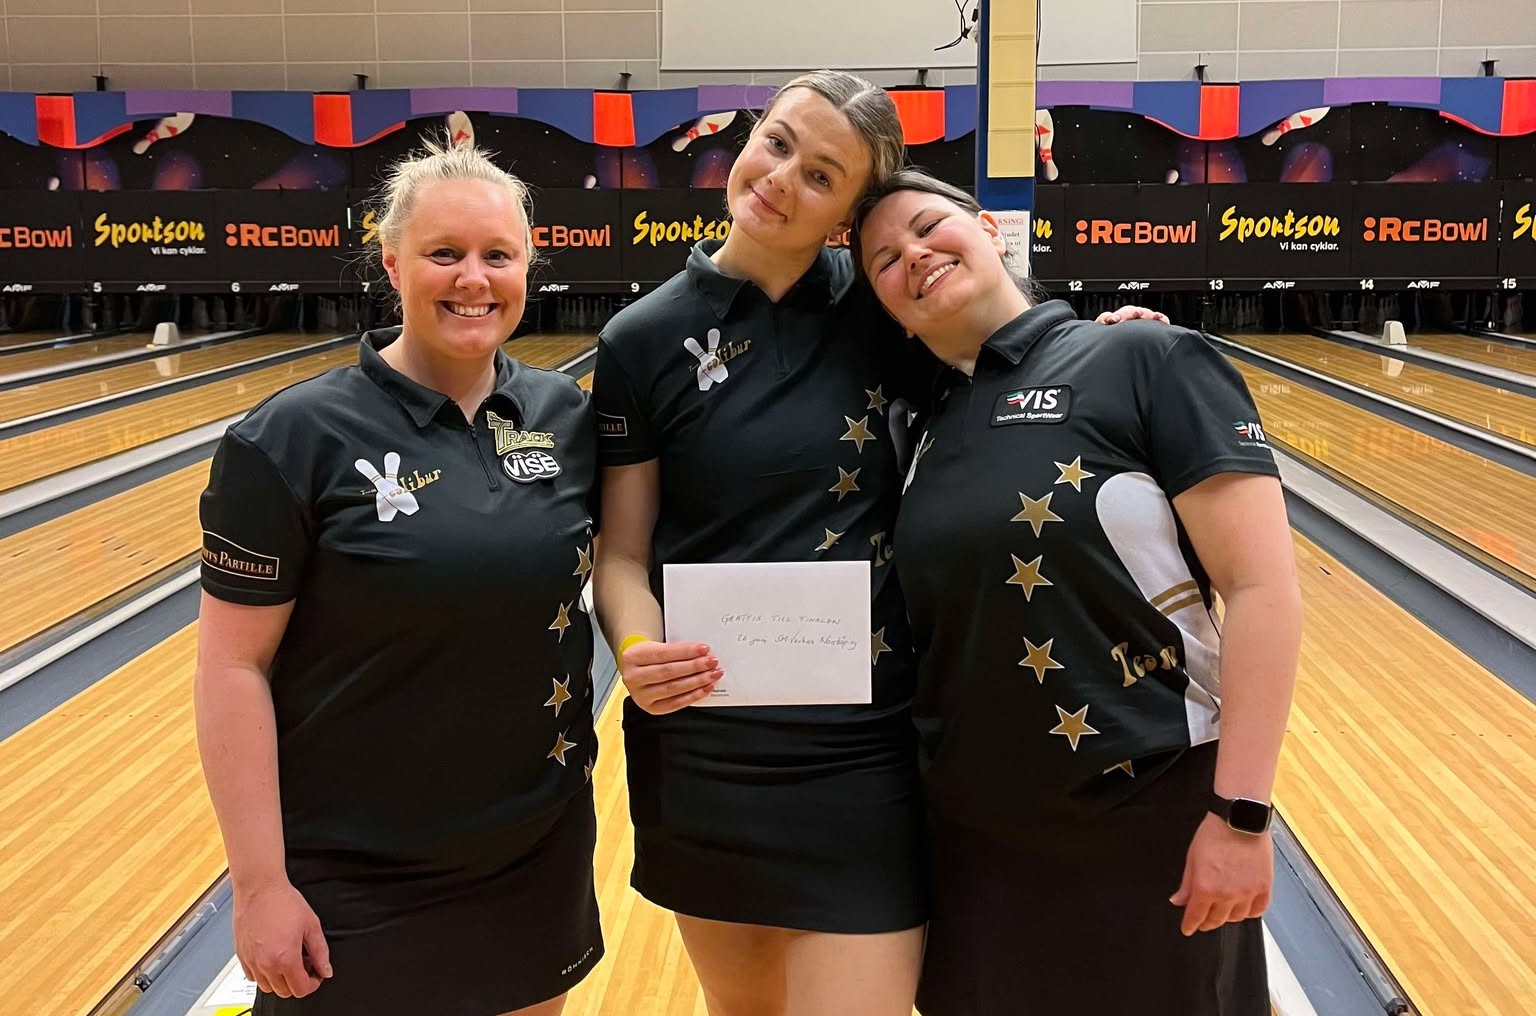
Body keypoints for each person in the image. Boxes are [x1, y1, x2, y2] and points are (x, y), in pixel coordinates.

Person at [591, 70, 1168, 1016]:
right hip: (705, 745)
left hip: (865, 751)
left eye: (823, 177)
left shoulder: (888, 305)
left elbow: (1009, 367)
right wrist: (635, 646)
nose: (782, 179)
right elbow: (620, 554)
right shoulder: (640, 339)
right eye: (778, 143)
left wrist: (1110, 353)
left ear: (846, 219)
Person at [851, 168, 1302, 1015]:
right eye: (882, 259)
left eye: (927, 226)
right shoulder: (918, 425)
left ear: (991, 231)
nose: (911, 254)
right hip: (976, 847)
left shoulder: (1143, 357)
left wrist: (1242, 815)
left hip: (1147, 821)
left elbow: (1262, 587)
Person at [194, 138, 602, 1016]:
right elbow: (231, 667)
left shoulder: (565, 416)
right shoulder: (290, 440)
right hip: (355, 875)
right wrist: (259, 885)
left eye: (498, 255)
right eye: (444, 253)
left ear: (529, 264)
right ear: (391, 262)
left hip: (536, 854)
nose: (473, 279)